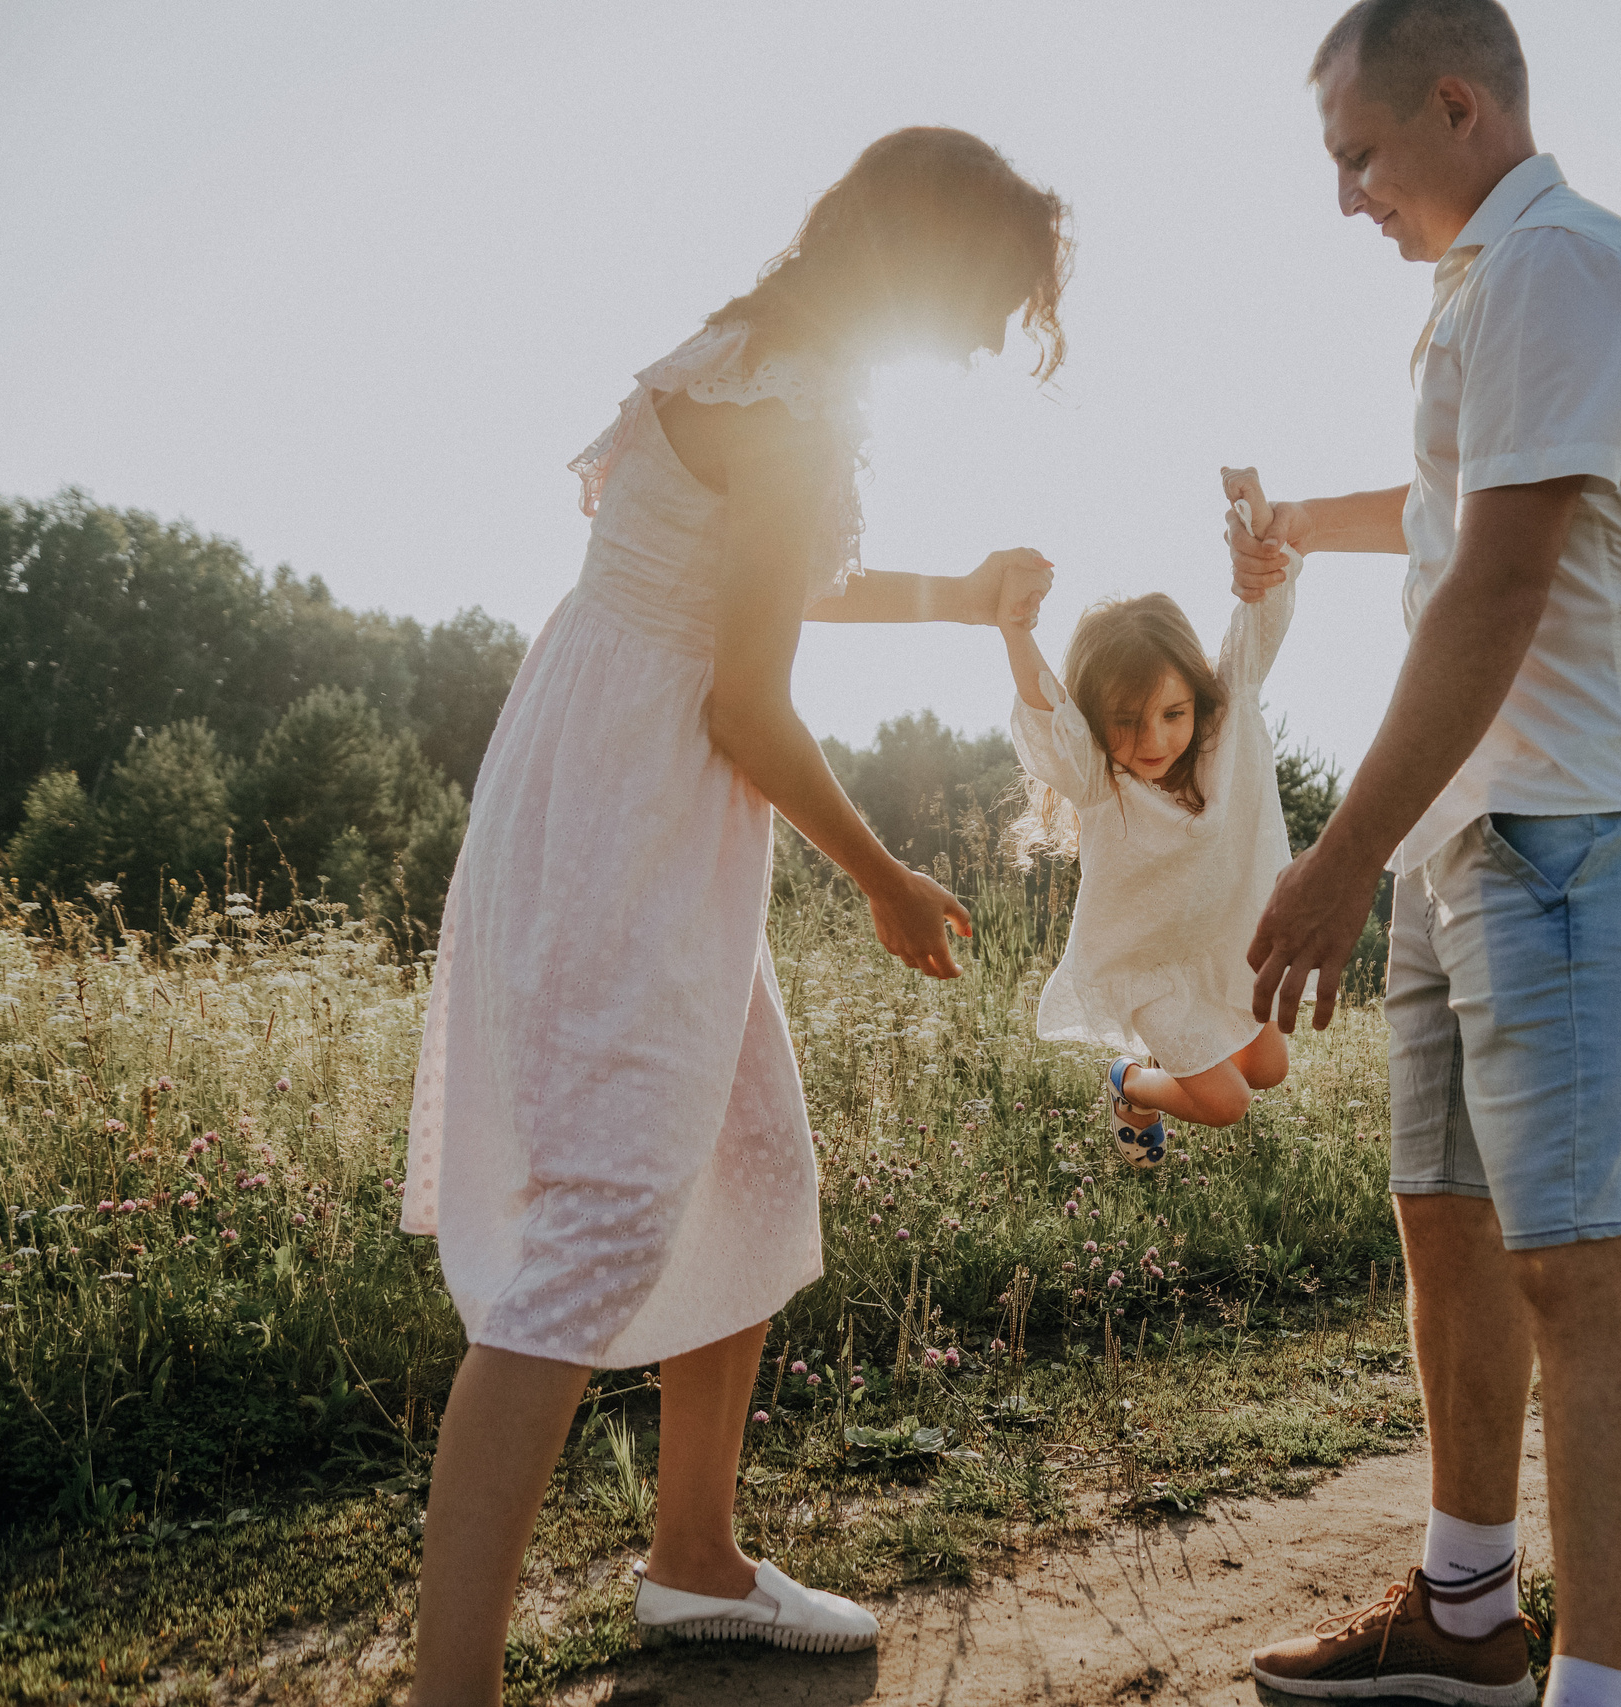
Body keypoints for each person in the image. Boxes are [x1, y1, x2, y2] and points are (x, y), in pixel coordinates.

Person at [396, 128, 1067, 1706]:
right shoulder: (802, 406)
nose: (983, 339)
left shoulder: (744, 358)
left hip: (599, 773)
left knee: (752, 1160)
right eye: (991, 301)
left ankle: (694, 1560)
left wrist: (960, 596)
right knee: (599, 1217)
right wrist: (887, 876)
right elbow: (746, 697)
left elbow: (758, 577)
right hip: (642, 806)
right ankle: (449, 1690)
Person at [1227, 6, 1621, 1707]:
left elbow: (1501, 584)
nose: (1348, 196)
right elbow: (1456, 510)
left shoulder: (1564, 264)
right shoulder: (1485, 292)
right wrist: (1304, 522)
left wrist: (1337, 853)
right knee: (1446, 1220)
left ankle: (1594, 1690)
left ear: (1457, 105)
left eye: (1360, 154)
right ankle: (1463, 1613)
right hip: (1471, 822)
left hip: (1571, 811)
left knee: (1572, 1256)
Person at [1000, 489, 1298, 1159]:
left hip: (1223, 945)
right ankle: (1129, 1082)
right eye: (1127, 721)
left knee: (1269, 1067)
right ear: (1100, 723)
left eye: (1171, 713)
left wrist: (1255, 536)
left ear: (1196, 695)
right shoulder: (1100, 781)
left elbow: (1259, 623)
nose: (1155, 739)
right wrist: (1016, 631)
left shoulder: (1226, 725)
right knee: (1226, 1103)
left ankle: (1144, 1080)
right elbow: (1048, 714)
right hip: (1151, 968)